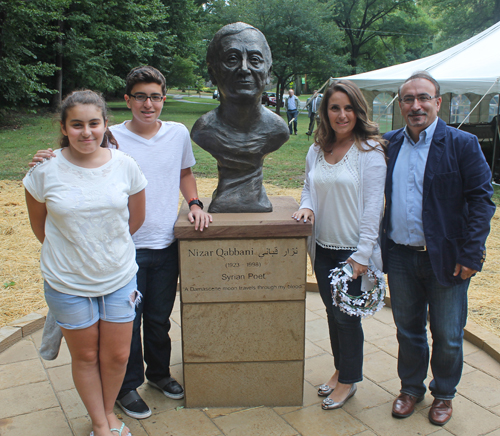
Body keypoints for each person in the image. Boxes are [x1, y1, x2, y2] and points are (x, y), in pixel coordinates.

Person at [30, 66, 212, 420]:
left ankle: (158, 374)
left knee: (159, 319)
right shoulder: (105, 134)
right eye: (141, 96)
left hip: (164, 243)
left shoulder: (177, 134)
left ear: (163, 99)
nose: (148, 104)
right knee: (126, 324)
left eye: (156, 97)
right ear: (127, 100)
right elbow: (72, 164)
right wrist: (43, 160)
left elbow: (184, 173)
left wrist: (194, 204)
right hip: (121, 251)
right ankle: (126, 387)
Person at [24, 90, 147, 436]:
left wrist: (104, 247)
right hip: (67, 283)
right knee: (87, 357)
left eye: (94, 123)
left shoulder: (126, 165)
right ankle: (100, 425)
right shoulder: (44, 171)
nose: (86, 132)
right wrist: (75, 253)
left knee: (117, 356)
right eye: (76, 125)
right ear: (64, 128)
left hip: (119, 277)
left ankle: (108, 413)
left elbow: (135, 219)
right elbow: (40, 226)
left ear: (106, 124)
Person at [381, 71, 496, 426]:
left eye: (423, 98)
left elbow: (482, 201)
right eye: (408, 99)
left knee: (447, 334)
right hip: (400, 256)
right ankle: (411, 388)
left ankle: (443, 393)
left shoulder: (462, 143)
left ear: (438, 102)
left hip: (447, 259)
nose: (416, 106)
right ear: (400, 105)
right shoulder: (389, 144)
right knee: (408, 329)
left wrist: (471, 254)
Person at [292, 80, 387, 410]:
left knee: (347, 318)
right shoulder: (317, 149)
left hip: (353, 253)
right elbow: (309, 187)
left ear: (358, 111)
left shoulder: (369, 152)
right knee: (333, 315)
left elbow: (375, 205)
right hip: (322, 248)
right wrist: (307, 206)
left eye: (348, 108)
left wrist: (362, 255)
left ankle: (349, 381)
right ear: (325, 111)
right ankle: (339, 370)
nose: (342, 114)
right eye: (335, 107)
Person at [191, 22, 289, 213]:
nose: (244, 69)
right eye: (232, 59)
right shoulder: (203, 130)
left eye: (255, 59)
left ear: (268, 72)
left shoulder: (278, 130)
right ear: (213, 72)